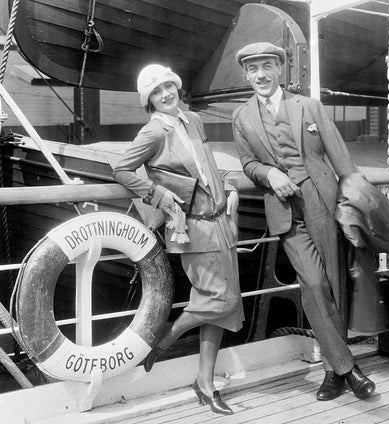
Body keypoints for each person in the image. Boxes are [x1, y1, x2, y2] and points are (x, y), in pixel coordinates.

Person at [232, 42, 376, 402]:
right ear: (246, 74)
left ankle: (332, 372)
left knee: (336, 285)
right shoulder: (242, 117)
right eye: (253, 69)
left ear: (280, 70)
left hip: (323, 199)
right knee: (313, 284)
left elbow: (341, 158)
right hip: (283, 208)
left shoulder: (308, 106)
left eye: (267, 66)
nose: (260, 75)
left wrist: (357, 204)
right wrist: (268, 174)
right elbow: (248, 164)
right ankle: (348, 368)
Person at [113, 64, 243, 415]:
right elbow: (121, 169)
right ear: (149, 101)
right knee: (220, 300)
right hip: (192, 229)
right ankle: (166, 337)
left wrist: (228, 186)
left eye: (169, 86)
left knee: (220, 305)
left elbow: (207, 167)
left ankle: (205, 383)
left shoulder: (192, 121)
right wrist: (155, 193)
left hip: (221, 224)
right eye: (157, 92)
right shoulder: (153, 133)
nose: (166, 94)